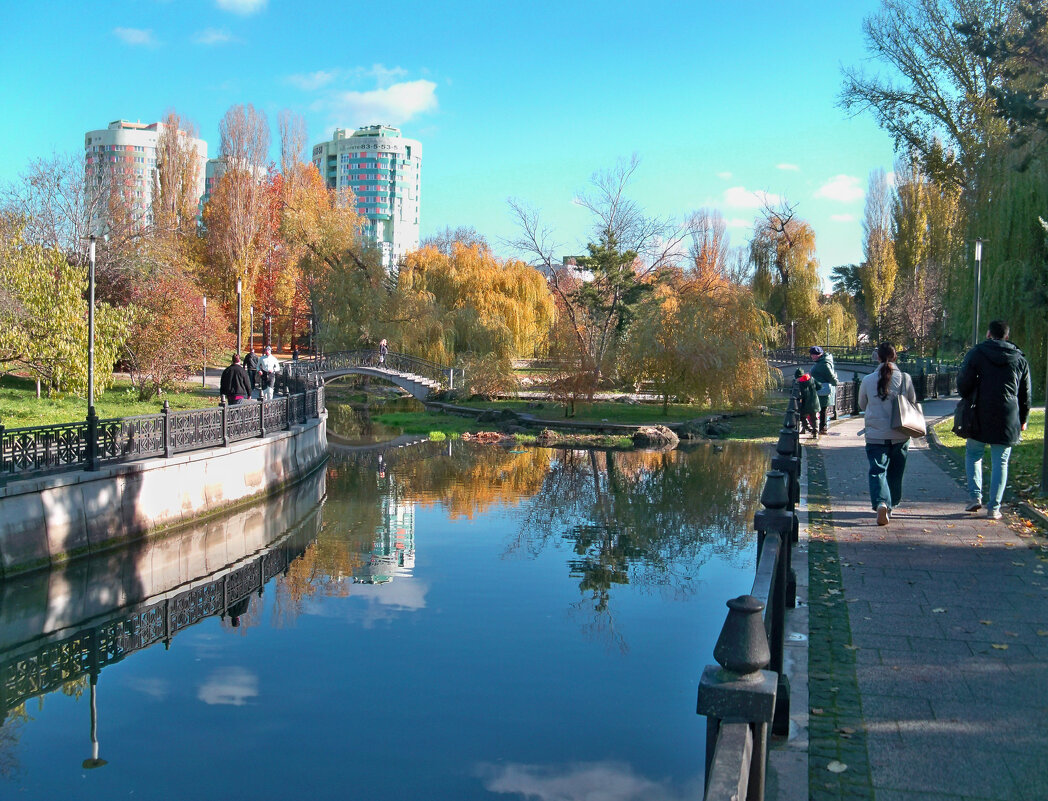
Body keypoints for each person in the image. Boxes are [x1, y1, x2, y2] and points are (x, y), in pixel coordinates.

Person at [956, 320, 1032, 519]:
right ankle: (994, 508)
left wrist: (969, 394)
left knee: (973, 454)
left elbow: (963, 383)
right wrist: (1023, 418)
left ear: (989, 334)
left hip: (979, 411)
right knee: (1001, 461)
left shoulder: (977, 353)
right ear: (1007, 336)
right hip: (1008, 414)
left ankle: (974, 497)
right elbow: (1025, 394)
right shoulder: (1019, 359)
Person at [858, 343, 916, 526]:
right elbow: (912, 401)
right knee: (896, 472)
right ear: (895, 357)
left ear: (878, 358)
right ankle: (892, 504)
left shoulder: (867, 380)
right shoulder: (905, 379)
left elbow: (861, 404)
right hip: (900, 433)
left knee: (877, 471)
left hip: (875, 434)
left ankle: (881, 502)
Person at [809, 346, 839, 434]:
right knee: (821, 409)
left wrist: (835, 382)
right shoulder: (820, 362)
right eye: (811, 355)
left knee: (822, 409)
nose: (812, 356)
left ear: (819, 355)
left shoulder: (824, 364)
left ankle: (822, 428)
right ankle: (819, 427)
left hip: (823, 390)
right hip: (819, 389)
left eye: (813, 355)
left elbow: (831, 376)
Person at [795, 367, 821, 439]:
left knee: (802, 417)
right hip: (815, 402)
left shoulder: (800, 384)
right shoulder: (811, 379)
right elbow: (819, 386)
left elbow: (800, 395)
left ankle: (809, 429)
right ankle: (815, 433)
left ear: (798, 377)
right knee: (815, 418)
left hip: (806, 404)